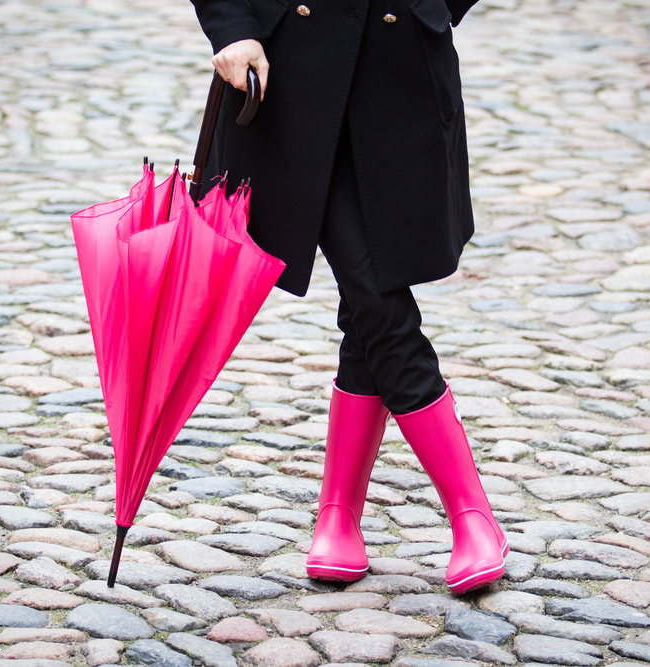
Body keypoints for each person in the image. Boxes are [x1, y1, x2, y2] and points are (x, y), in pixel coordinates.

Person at [190, 0, 507, 594]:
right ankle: (471, 515)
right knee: (374, 293)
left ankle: (340, 518)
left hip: (399, 69)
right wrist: (232, 27)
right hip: (288, 75)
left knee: (369, 297)